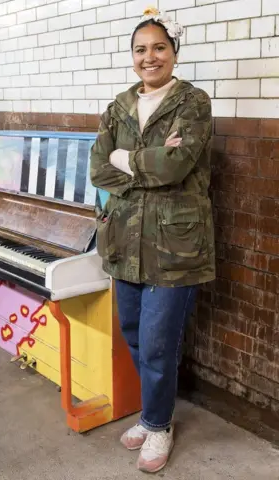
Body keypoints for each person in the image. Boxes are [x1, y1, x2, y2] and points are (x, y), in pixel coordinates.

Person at [90, 7, 215, 474]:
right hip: (124, 238)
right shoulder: (119, 105)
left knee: (160, 341)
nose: (150, 56)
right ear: (132, 57)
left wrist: (128, 158)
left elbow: (177, 167)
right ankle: (151, 413)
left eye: (159, 47)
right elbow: (98, 166)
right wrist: (146, 160)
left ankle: (159, 425)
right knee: (134, 334)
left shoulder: (193, 103)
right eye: (141, 49)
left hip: (175, 245)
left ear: (174, 53)